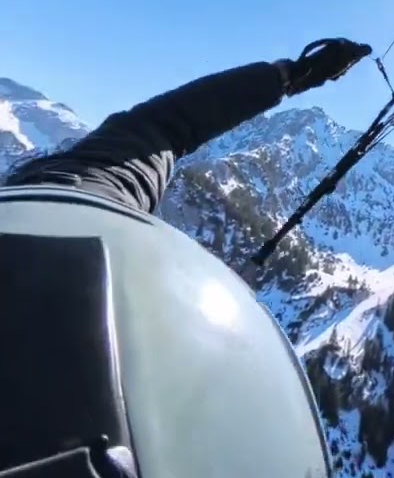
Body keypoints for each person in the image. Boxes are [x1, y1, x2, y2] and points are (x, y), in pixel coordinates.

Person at [0, 38, 370, 478]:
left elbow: (165, 126)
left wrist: (286, 77)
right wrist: (289, 76)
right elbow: (169, 124)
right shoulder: (93, 181)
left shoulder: (88, 179)